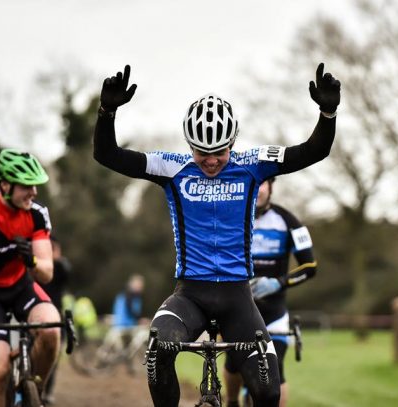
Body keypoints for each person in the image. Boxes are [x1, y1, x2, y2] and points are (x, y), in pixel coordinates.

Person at [93, 63, 340, 407]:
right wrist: (107, 112)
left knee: (268, 392)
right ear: (188, 145)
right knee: (158, 346)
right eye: (201, 152)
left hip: (238, 299)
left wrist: (327, 114)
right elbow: (107, 155)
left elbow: (313, 150)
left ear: (233, 142)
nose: (210, 161)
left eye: (219, 152)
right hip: (190, 295)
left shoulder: (253, 164)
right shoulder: (173, 167)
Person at [0, 149, 61, 407]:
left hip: (20, 287)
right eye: (27, 185)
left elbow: (46, 274)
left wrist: (32, 261)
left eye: (36, 185)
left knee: (51, 329)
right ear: (5, 185)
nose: (34, 192)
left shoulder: (37, 213)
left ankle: (33, 392)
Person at [222, 178, 317, 407]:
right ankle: (232, 401)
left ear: (271, 186)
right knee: (233, 363)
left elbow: (310, 267)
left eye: (262, 183)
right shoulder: (227, 218)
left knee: (276, 369)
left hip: (274, 313)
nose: (258, 188)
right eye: (252, 183)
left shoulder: (288, 221)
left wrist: (278, 283)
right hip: (236, 311)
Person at [38, 235, 71, 405]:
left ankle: (47, 390)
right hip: (37, 312)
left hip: (56, 315)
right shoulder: (37, 267)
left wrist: (57, 260)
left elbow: (67, 272)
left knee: (53, 356)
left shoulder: (59, 268)